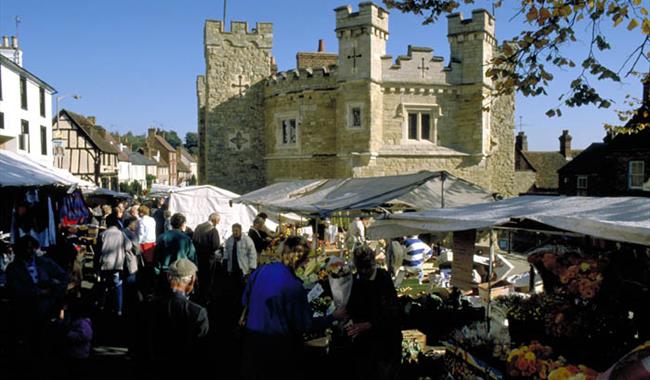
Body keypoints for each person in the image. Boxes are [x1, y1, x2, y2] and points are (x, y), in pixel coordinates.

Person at [241, 236, 346, 380]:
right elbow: (304, 324)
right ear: (300, 260)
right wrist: (332, 317)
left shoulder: (261, 270)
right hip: (277, 351)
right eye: (306, 259)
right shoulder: (294, 286)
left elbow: (245, 300)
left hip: (252, 345)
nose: (307, 262)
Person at [142, 259, 209, 374]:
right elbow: (201, 351)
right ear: (192, 279)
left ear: (168, 277)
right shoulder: (198, 312)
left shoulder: (151, 305)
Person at [5, 235, 68, 358]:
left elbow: (63, 277)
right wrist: (38, 292)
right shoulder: (13, 268)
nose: (29, 251)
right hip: (26, 309)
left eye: (32, 248)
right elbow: (16, 289)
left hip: (48, 308)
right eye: (26, 248)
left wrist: (55, 291)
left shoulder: (45, 262)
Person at [345, 245, 402, 380]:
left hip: (386, 344)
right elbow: (353, 306)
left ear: (373, 263)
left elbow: (392, 313)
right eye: (360, 269)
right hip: (365, 344)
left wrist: (369, 324)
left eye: (366, 268)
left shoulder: (383, 279)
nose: (363, 272)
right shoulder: (356, 279)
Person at [98, 216, 133, 316]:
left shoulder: (102, 234)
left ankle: (101, 305)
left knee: (104, 284)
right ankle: (119, 309)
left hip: (105, 264)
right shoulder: (121, 234)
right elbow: (128, 247)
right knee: (117, 285)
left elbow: (98, 251)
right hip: (117, 264)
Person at [153, 213, 197, 280]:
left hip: (166, 272)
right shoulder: (186, 239)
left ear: (171, 223)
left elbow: (157, 257)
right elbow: (192, 257)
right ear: (183, 224)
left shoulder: (162, 237)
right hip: (182, 273)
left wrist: (157, 272)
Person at [192, 213, 222, 303]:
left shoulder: (198, 227)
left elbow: (193, 239)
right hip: (208, 258)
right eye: (218, 221)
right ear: (215, 220)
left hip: (197, 256)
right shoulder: (213, 230)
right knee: (207, 279)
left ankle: (196, 295)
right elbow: (216, 245)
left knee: (199, 277)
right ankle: (205, 298)